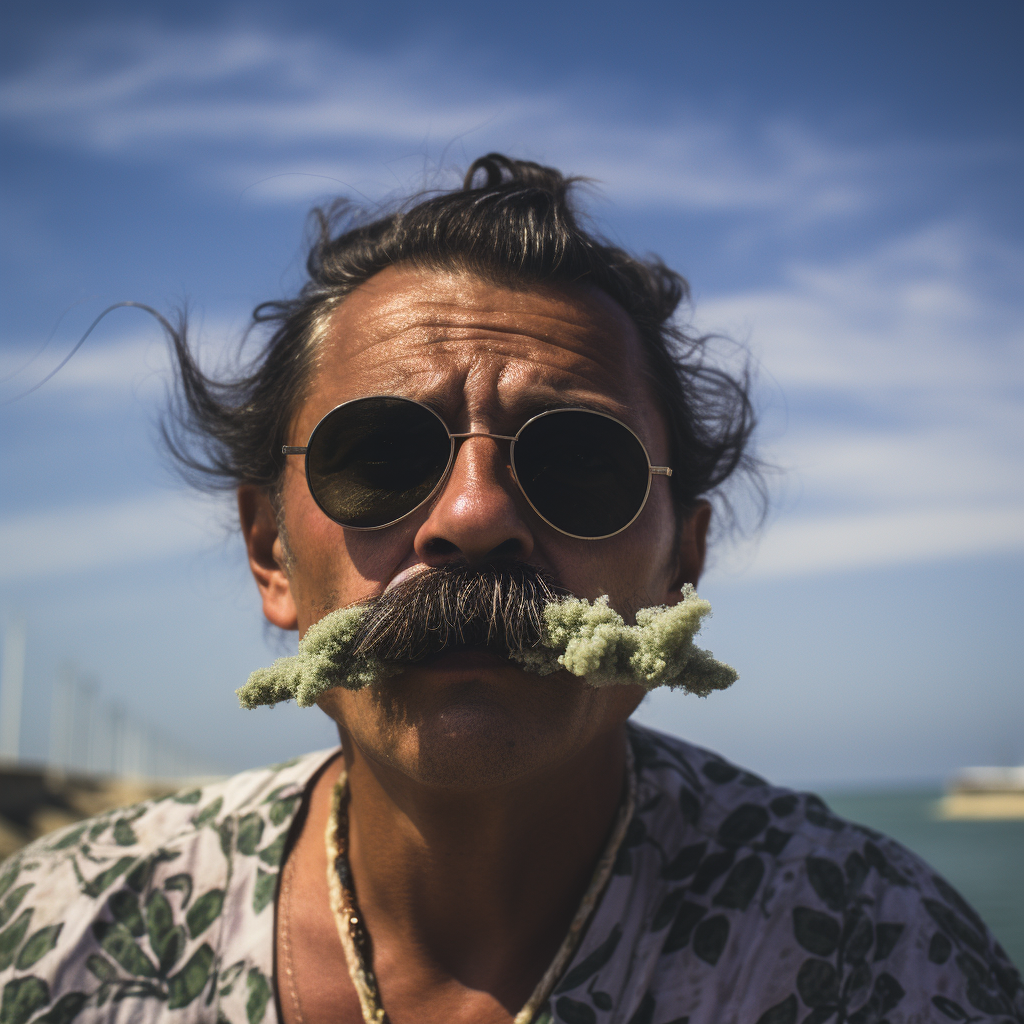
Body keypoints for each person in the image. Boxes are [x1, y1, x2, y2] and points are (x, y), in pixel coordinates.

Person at [1, 154, 1020, 1024]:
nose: (475, 514)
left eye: (580, 466)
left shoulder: (874, 956)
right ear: (269, 550)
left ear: (679, 563)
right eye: (380, 457)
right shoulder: (57, 938)